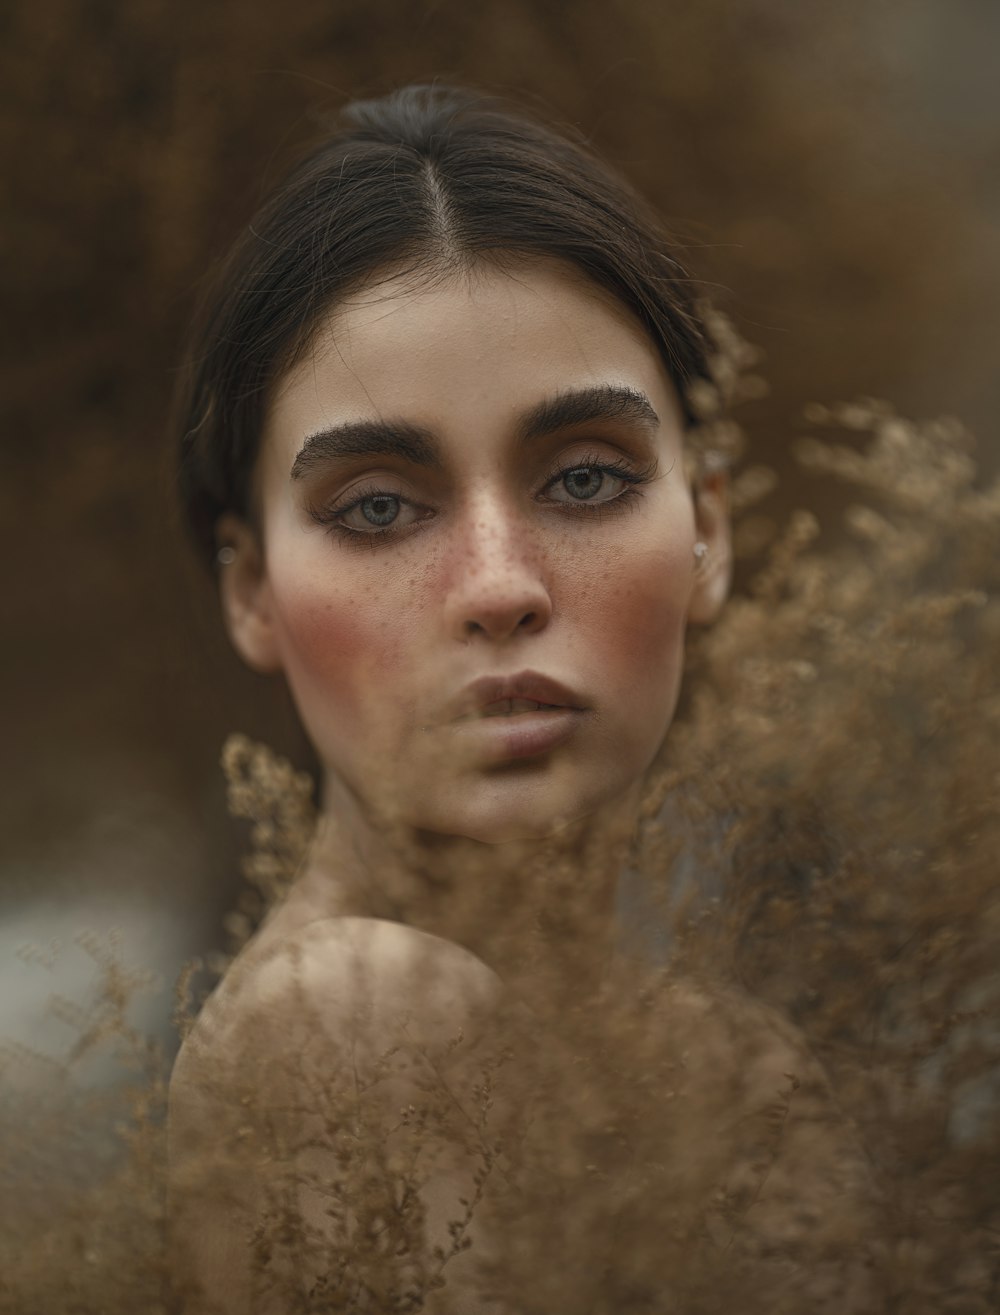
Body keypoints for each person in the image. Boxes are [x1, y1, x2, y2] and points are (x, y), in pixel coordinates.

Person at [167, 84, 875, 1313]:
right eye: (379, 506)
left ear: (706, 529)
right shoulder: (351, 1023)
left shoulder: (746, 1078)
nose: (498, 585)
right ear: (253, 591)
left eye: (587, 478)